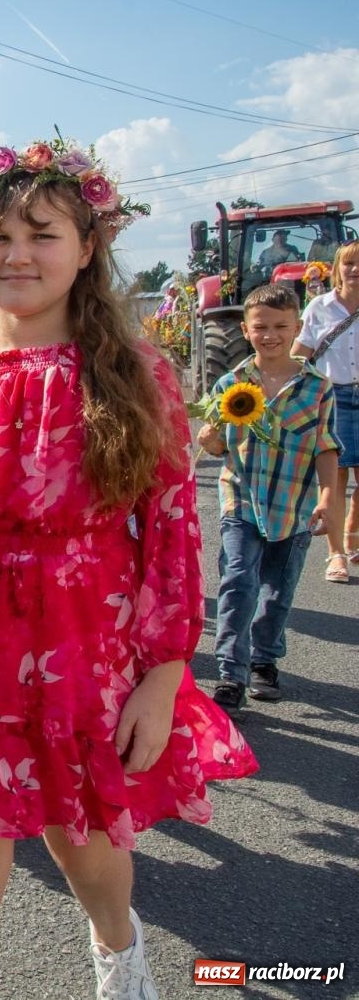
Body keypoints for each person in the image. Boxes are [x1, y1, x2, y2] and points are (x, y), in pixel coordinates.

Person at [0, 140, 258, 1000]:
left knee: (87, 851)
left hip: (91, 651)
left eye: (42, 233)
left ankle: (118, 951)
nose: (16, 254)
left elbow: (171, 533)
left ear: (87, 247)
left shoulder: (135, 375)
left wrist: (165, 676)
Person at [197, 285, 341, 704]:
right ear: (245, 329)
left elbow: (326, 447)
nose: (270, 334)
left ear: (297, 327)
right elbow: (222, 444)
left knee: (278, 590)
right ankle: (230, 672)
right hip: (241, 499)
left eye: (281, 326)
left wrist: (329, 497)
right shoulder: (230, 383)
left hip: (293, 504)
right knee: (238, 581)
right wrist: (211, 442)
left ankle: (264, 659)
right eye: (261, 326)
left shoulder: (318, 388)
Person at [293, 238, 359, 578]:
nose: (355, 269)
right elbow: (298, 354)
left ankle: (352, 534)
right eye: (348, 262)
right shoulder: (319, 307)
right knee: (335, 477)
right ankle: (337, 556)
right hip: (335, 398)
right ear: (337, 269)